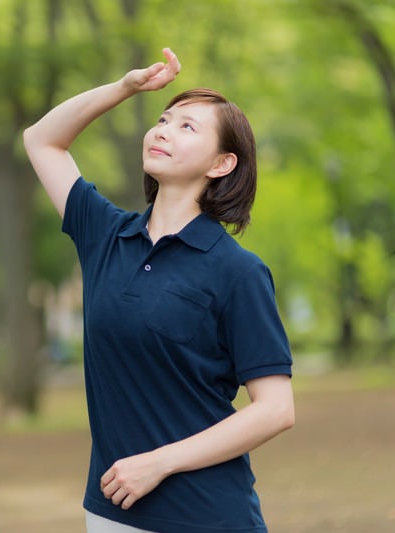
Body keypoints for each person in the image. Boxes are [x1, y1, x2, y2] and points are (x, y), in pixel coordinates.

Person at [23, 48, 295, 533]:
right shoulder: (105, 235)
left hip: (206, 515)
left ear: (221, 163)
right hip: (111, 510)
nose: (163, 130)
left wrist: (159, 462)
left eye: (187, 127)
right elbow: (42, 140)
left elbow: (275, 409)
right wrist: (124, 89)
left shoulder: (238, 271)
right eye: (164, 120)